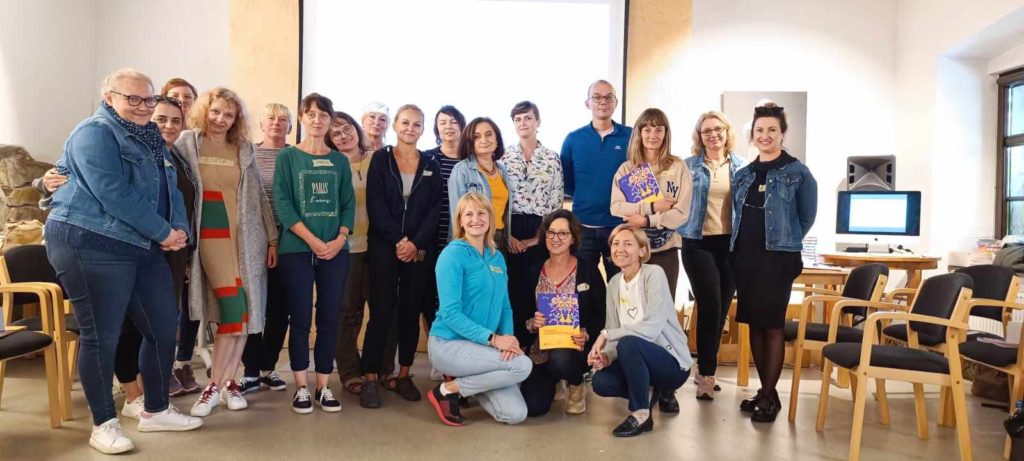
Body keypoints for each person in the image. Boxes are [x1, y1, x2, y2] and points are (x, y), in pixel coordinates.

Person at [44, 68, 201, 454]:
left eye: (148, 99)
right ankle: (104, 424)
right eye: (132, 98)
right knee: (102, 335)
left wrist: (178, 229)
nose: (143, 106)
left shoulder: (153, 138)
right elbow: (112, 192)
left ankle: (156, 410)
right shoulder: (94, 133)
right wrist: (163, 232)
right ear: (108, 97)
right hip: (90, 241)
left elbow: (172, 189)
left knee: (164, 326)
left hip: (140, 243)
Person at [175, 87, 279, 418]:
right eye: (216, 111)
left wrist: (272, 238)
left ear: (236, 119)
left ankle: (227, 383)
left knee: (243, 315)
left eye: (228, 114)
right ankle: (214, 387)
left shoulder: (244, 148)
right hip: (210, 234)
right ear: (205, 111)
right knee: (233, 310)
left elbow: (258, 196)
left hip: (246, 238)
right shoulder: (188, 142)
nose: (221, 119)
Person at [731, 102, 817, 423]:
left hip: (778, 259)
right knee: (754, 323)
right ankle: (766, 390)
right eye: (759, 130)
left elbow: (806, 217)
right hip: (746, 258)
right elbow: (738, 215)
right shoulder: (743, 174)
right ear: (752, 135)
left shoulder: (798, 173)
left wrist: (784, 241)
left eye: (772, 130)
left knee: (773, 325)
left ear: (782, 133)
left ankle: (768, 396)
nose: (765, 135)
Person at [274, 93, 355, 413]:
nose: (317, 120)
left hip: (335, 251)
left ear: (330, 120)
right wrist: (312, 240)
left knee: (329, 317)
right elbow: (283, 203)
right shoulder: (288, 157)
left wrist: (339, 238)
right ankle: (301, 387)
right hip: (296, 249)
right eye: (311, 114)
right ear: (302, 119)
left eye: (323, 115)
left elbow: (348, 203)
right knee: (300, 318)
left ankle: (323, 386)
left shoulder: (340, 162)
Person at [361, 104, 442, 408]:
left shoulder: (431, 163)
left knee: (410, 311)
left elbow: (435, 209)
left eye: (417, 124)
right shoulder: (381, 159)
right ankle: (370, 376)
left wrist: (415, 243)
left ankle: (404, 374)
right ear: (395, 125)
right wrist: (399, 240)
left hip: (418, 249)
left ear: (423, 129)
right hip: (384, 245)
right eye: (405, 122)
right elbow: (376, 204)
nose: (410, 128)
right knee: (381, 311)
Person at [427, 192, 532, 426]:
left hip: (483, 348)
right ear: (460, 221)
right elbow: (450, 314)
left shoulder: (497, 257)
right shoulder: (452, 255)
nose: (476, 219)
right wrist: (494, 340)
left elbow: (505, 305)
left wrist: (508, 339)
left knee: (515, 414)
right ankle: (446, 390)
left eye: (481, 213)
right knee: (522, 365)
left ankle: (459, 386)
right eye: (469, 214)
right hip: (449, 344)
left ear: (490, 218)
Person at [588, 225, 691, 437]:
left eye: (628, 244)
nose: (620, 249)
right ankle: (648, 392)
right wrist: (607, 356)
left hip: (671, 364)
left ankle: (641, 413)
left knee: (630, 343)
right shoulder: (614, 283)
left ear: (642, 250)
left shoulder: (654, 274)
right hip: (636, 360)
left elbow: (651, 328)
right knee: (600, 382)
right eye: (615, 244)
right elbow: (614, 328)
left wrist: (606, 335)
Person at [679, 111, 744, 400]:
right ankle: (707, 373)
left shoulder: (742, 167)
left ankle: (703, 365)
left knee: (721, 310)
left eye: (718, 129)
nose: (713, 134)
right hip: (697, 243)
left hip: (730, 245)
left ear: (727, 132)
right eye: (706, 131)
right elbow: (674, 200)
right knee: (710, 305)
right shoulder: (688, 166)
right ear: (699, 136)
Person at [519, 209, 605, 416]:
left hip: (575, 348)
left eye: (563, 233)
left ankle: (576, 385)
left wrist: (587, 332)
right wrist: (531, 323)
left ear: (573, 238)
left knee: (561, 360)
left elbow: (602, 314)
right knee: (533, 407)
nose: (555, 238)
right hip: (541, 349)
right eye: (551, 232)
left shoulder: (588, 270)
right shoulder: (533, 270)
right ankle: (555, 380)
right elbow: (520, 312)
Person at [237, 103, 294, 394]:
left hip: (289, 240)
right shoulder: (248, 153)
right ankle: (249, 371)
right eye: (270, 117)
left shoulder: (296, 156)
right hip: (253, 240)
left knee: (279, 309)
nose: (276, 123)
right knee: (253, 306)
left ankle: (268, 367)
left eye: (283, 119)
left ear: (290, 126)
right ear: (261, 123)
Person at [610, 108, 691, 300]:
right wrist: (652, 207)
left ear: (666, 133)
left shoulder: (678, 166)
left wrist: (647, 220)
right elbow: (616, 207)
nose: (653, 136)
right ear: (639, 133)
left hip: (666, 250)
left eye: (658, 130)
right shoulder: (627, 169)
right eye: (647, 130)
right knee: (634, 305)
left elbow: (681, 213)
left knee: (663, 306)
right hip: (634, 250)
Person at [501, 101, 564, 347]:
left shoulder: (552, 158)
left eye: (528, 118)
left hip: (542, 230)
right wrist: (507, 235)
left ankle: (537, 347)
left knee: (536, 287)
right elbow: (500, 200)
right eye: (518, 119)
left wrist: (539, 238)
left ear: (538, 122)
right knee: (511, 288)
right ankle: (514, 343)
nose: (523, 123)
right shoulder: (504, 157)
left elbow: (556, 202)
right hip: (510, 229)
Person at [328, 110, 381, 395]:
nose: (343, 136)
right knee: (347, 312)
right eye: (335, 133)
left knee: (382, 310)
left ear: (356, 129)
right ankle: (349, 371)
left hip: (379, 248)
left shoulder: (378, 159)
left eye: (346, 129)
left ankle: (379, 368)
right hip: (345, 249)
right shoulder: (330, 164)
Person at [561, 80, 632, 279]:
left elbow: (637, 177)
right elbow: (568, 183)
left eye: (608, 97)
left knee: (621, 284)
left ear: (616, 102)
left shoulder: (631, 136)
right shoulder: (573, 139)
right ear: (588, 103)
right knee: (583, 285)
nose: (603, 101)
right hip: (583, 227)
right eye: (597, 97)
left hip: (619, 226)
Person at [423, 105, 466, 329]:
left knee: (457, 294)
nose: (448, 126)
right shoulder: (427, 158)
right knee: (430, 296)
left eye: (453, 121)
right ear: (436, 128)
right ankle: (435, 343)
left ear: (462, 126)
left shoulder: (471, 160)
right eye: (443, 122)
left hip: (462, 238)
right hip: (431, 238)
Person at [447, 117, 511, 248]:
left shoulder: (503, 170)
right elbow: (456, 215)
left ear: (497, 139)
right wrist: (463, 246)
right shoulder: (461, 170)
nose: (484, 140)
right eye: (476, 137)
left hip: (500, 238)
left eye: (489, 134)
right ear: (470, 142)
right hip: (474, 239)